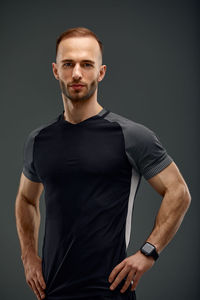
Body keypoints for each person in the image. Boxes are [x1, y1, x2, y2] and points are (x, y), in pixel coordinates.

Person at [15, 27, 191, 300]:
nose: (76, 73)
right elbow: (26, 200)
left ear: (101, 72)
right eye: (68, 64)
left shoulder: (131, 136)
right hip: (52, 292)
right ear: (55, 70)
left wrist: (149, 252)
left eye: (87, 64)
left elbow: (178, 192)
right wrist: (28, 256)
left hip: (110, 292)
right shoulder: (38, 140)